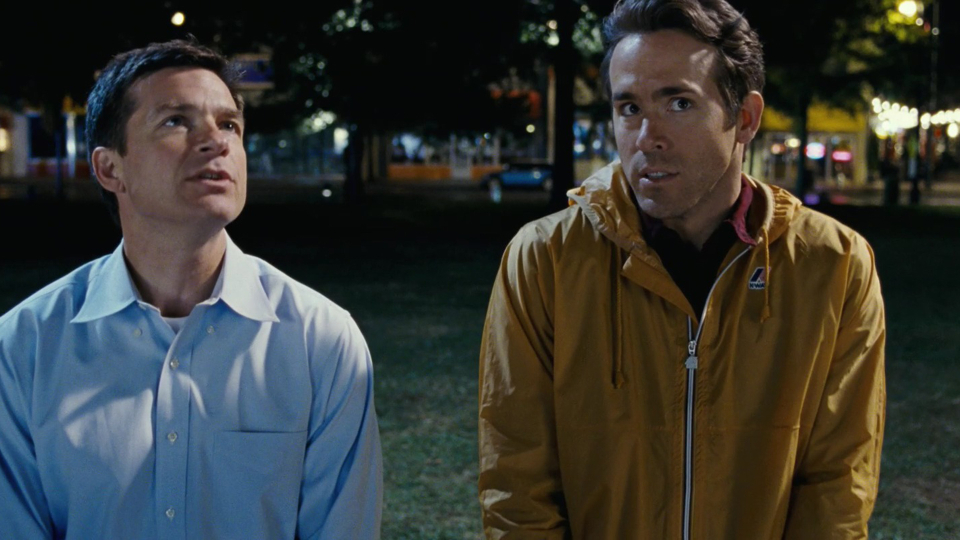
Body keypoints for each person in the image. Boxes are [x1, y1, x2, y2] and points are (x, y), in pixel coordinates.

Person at [478, 1, 886, 538]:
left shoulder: (834, 265)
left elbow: (838, 487)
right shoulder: (544, 260)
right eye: (629, 107)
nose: (647, 136)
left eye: (678, 103)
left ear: (745, 119)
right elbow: (516, 483)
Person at [0, 40, 382, 539]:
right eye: (176, 121)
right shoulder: (24, 348)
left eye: (229, 125)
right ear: (110, 168)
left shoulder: (320, 341)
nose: (216, 142)